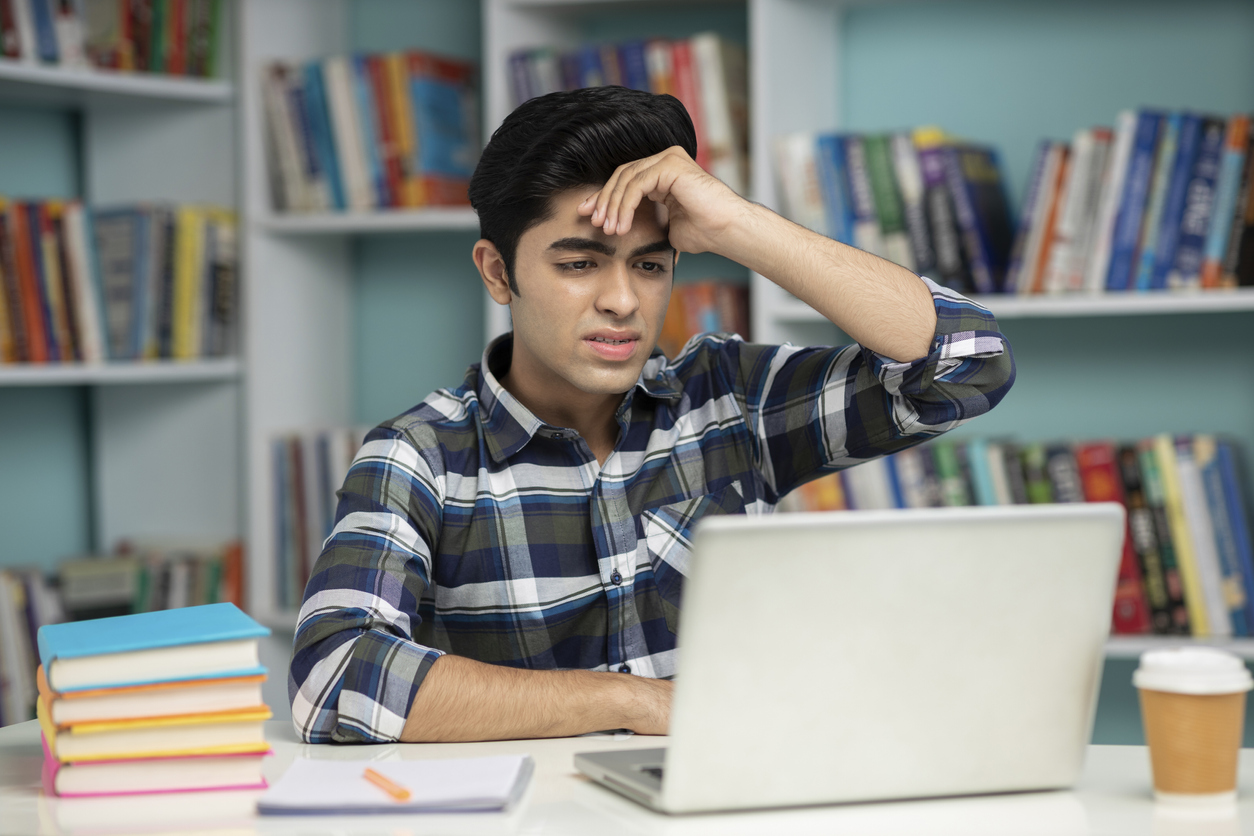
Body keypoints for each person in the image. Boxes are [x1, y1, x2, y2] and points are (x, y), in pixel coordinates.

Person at [289, 86, 1015, 744]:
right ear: (497, 271)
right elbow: (335, 678)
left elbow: (971, 362)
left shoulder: (729, 400)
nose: (623, 302)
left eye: (649, 263)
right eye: (579, 264)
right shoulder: (419, 456)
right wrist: (634, 703)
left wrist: (738, 224)